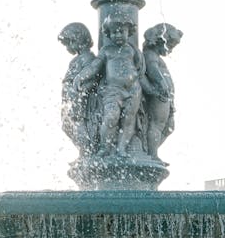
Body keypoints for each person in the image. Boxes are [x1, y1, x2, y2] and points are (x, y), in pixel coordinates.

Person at [76, 17, 145, 157]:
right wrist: (81, 76)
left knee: (128, 119)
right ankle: (104, 147)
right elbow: (95, 66)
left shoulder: (132, 50)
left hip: (133, 89)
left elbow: (139, 68)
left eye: (122, 31)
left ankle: (121, 148)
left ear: (129, 32)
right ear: (108, 33)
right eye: (114, 32)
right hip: (113, 90)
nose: (118, 35)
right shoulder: (106, 50)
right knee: (110, 117)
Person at [141, 23, 182, 157]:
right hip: (160, 95)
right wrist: (162, 84)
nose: (170, 50)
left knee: (169, 127)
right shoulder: (149, 54)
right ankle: (152, 153)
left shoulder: (155, 56)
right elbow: (152, 70)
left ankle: (148, 150)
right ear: (160, 40)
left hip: (166, 96)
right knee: (157, 124)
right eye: (169, 46)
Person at [58, 22, 99, 152]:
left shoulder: (88, 58)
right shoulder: (78, 59)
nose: (68, 48)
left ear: (78, 39)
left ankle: (87, 148)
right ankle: (85, 148)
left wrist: (80, 92)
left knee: (78, 124)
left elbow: (93, 78)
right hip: (71, 99)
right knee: (68, 125)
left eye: (69, 43)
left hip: (79, 99)